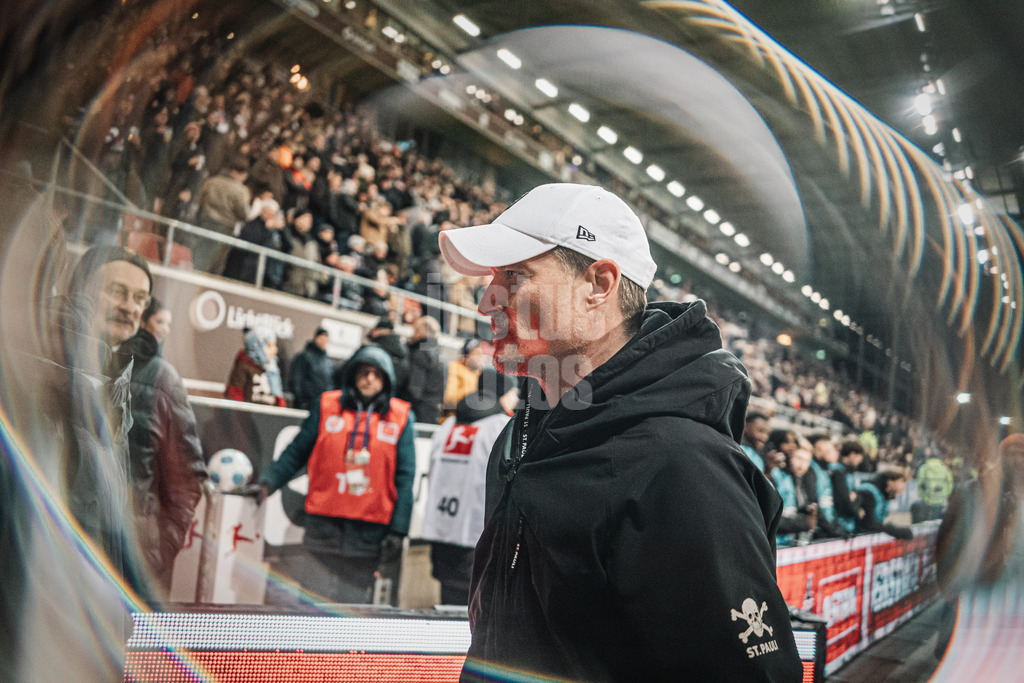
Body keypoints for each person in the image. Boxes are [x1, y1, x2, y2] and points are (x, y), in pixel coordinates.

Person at [439, 183, 801, 681]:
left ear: (599, 284)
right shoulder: (518, 438)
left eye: (515, 276)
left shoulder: (683, 466)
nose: (486, 304)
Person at [250, 346, 416, 603]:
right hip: (322, 529)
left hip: (369, 534)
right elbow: (296, 452)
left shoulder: (402, 417)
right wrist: (267, 483)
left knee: (352, 610)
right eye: (363, 371)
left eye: (376, 373)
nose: (369, 378)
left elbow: (405, 477)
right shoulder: (327, 405)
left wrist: (399, 530)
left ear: (386, 380)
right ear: (352, 374)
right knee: (311, 607)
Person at [122, 297, 207, 594]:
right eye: (161, 322)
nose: (165, 330)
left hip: (137, 556)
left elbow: (186, 476)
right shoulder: (75, 362)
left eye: (169, 324)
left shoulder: (163, 377)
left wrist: (160, 548)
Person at [422, 368, 517, 605]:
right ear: (503, 394)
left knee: (448, 606)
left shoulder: (447, 426)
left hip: (442, 535)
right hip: (479, 540)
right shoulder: (502, 427)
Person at [225, 327, 286, 407]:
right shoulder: (244, 367)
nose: (274, 350)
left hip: (270, 417)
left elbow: (279, 399)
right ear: (257, 346)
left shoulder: (273, 370)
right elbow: (235, 397)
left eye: (275, 345)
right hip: (248, 416)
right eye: (269, 345)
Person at [401, 315, 445, 424]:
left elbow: (415, 389)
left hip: (417, 412)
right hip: (432, 411)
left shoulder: (420, 353)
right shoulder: (439, 354)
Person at [854, 470, 913, 540]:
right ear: (890, 482)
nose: (904, 485)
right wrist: (896, 531)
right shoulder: (868, 492)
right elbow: (869, 524)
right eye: (902, 481)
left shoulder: (882, 494)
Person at [287, 327, 335, 410]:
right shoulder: (304, 357)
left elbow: (330, 382)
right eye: (321, 338)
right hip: (306, 404)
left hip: (322, 404)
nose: (323, 341)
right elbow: (296, 380)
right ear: (316, 338)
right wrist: (301, 401)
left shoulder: (327, 360)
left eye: (326, 338)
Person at [442, 338, 488, 418]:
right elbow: (449, 398)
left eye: (482, 354)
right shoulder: (454, 368)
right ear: (467, 354)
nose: (480, 358)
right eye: (477, 354)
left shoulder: (480, 373)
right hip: (452, 418)